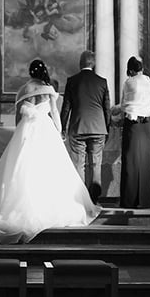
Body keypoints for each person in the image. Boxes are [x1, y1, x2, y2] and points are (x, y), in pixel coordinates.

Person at [0, 59, 100, 243]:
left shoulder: (23, 90)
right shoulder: (48, 90)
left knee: (19, 172)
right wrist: (59, 132)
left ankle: (14, 209)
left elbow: (18, 117)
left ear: (30, 72)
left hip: (26, 132)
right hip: (46, 131)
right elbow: (55, 114)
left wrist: (19, 133)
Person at [60, 50, 111, 203]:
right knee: (95, 164)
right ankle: (94, 199)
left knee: (78, 164)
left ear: (80, 63)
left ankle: (80, 200)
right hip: (98, 128)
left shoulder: (72, 81)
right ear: (93, 64)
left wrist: (62, 127)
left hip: (78, 127)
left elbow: (66, 107)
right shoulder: (102, 81)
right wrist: (106, 128)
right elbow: (106, 108)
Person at [119, 56, 150, 208]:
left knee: (131, 160)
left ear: (130, 70)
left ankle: (130, 200)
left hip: (133, 123)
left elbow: (124, 104)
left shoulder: (130, 82)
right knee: (145, 161)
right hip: (147, 124)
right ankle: (145, 200)